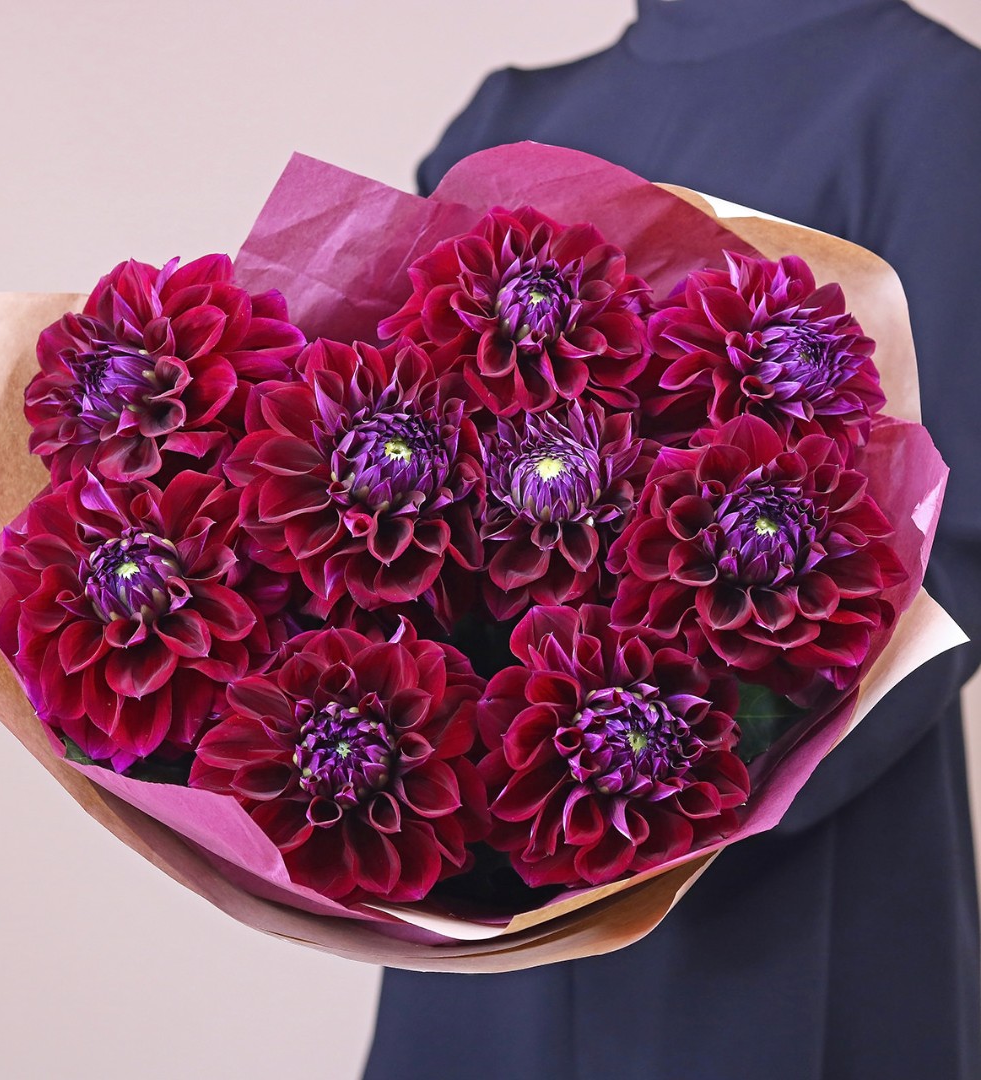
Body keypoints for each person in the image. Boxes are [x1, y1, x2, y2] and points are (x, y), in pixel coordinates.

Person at [362, 2, 981, 1077]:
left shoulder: (930, 106)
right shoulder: (504, 120)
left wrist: (663, 792)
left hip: (776, 884)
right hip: (486, 876)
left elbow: (957, 546)